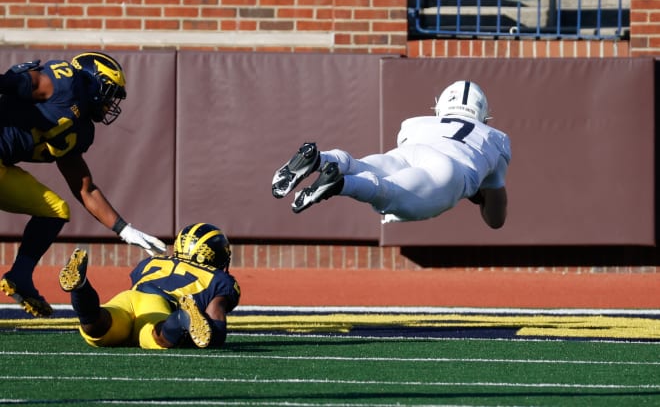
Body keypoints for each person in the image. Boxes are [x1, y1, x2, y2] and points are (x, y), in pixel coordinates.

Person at [0, 52, 166, 318]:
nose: (111, 101)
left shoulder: (81, 130)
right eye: (109, 91)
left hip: (3, 166)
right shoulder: (64, 83)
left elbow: (84, 187)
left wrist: (125, 230)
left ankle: (20, 276)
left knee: (55, 210)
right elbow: (14, 82)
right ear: (92, 81)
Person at [272, 80, 511, 228]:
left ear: (441, 107)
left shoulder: (415, 123)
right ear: (483, 114)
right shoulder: (495, 138)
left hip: (412, 150)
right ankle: (339, 185)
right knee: (385, 191)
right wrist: (480, 195)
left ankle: (322, 159)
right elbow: (495, 220)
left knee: (360, 165)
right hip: (450, 168)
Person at [59, 222, 241, 349]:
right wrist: (212, 336)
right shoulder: (218, 279)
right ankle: (180, 319)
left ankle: (81, 287)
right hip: (160, 304)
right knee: (158, 336)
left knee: (97, 326)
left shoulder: (153, 261)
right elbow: (216, 325)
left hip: (129, 297)